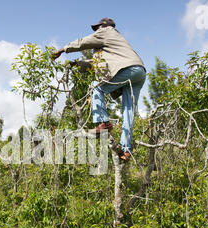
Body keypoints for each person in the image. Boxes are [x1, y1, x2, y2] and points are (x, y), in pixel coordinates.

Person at [52, 18, 146, 161]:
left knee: (97, 88)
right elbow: (97, 63)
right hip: (139, 72)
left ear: (104, 26)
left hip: (128, 69)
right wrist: (78, 64)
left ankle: (103, 123)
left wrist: (63, 49)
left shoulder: (107, 31)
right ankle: (126, 151)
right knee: (128, 112)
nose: (96, 31)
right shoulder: (114, 42)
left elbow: (83, 42)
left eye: (97, 28)